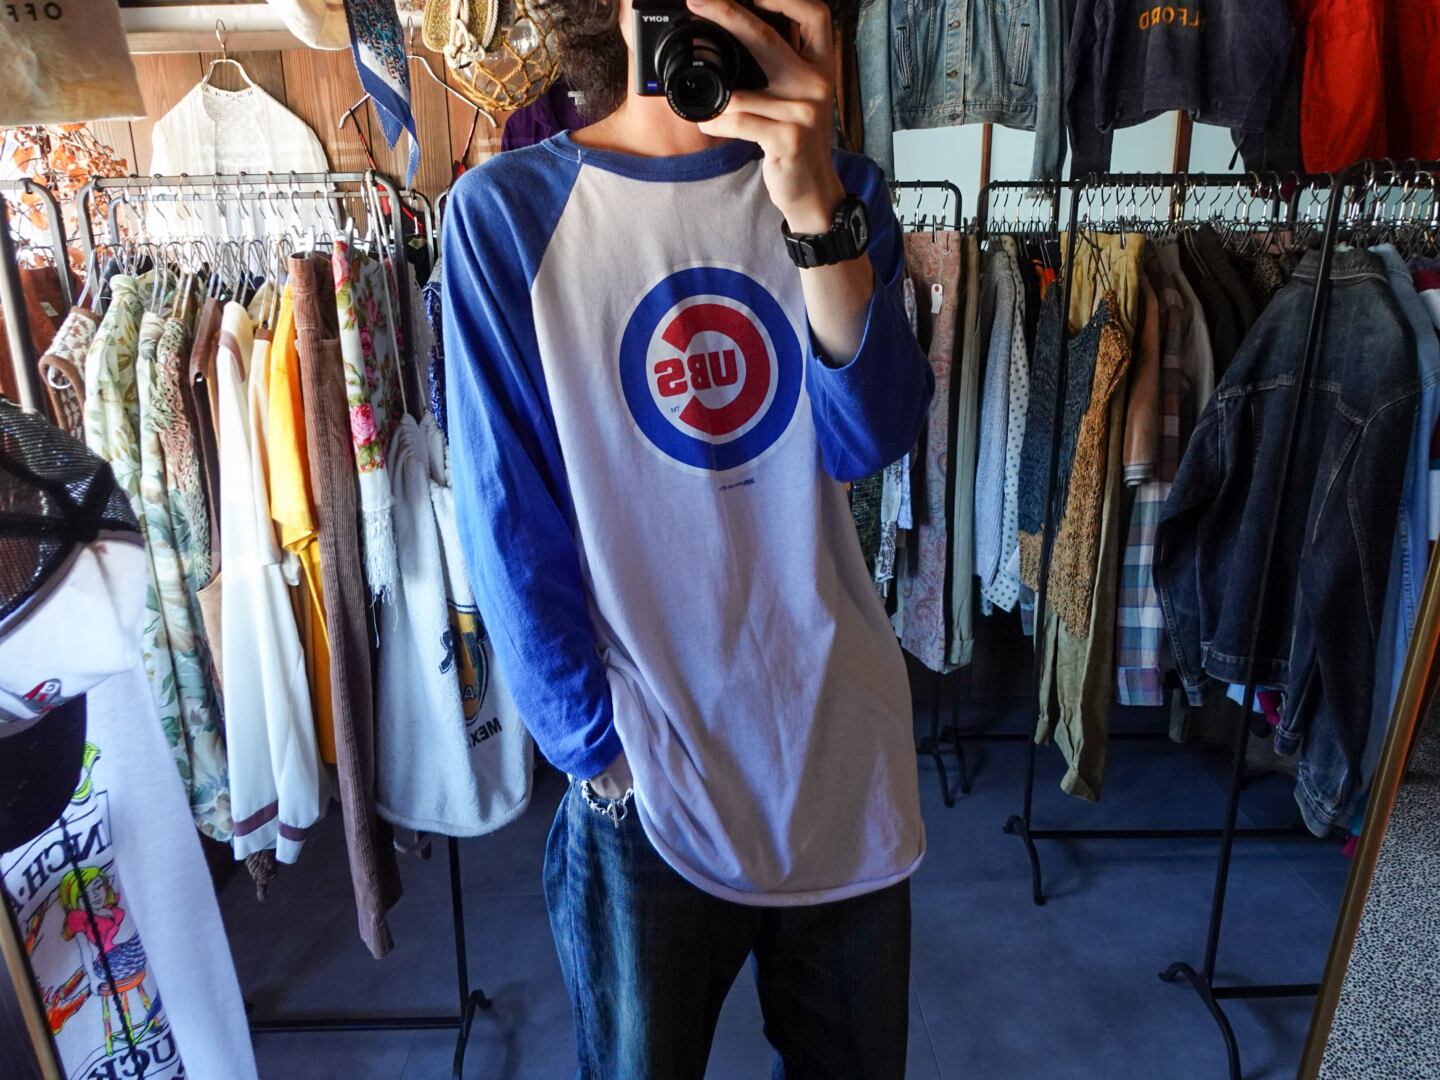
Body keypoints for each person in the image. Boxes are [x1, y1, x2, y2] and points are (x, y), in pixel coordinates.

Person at [442, 0, 934, 1073]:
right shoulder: (506, 214)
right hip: (646, 771)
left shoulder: (845, 189)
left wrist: (812, 198)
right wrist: (597, 751)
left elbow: (874, 436)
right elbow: (508, 517)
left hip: (838, 743)